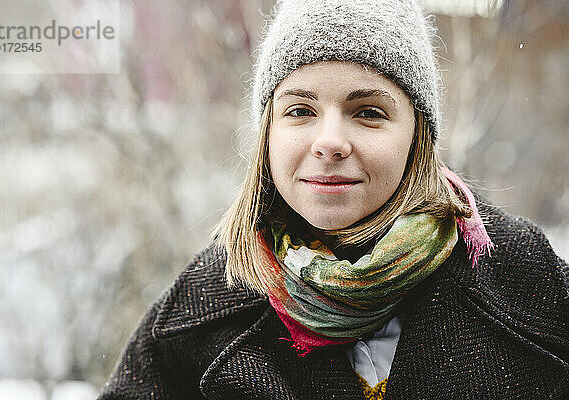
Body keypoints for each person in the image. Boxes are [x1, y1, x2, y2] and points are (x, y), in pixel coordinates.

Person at [99, 0, 569, 399]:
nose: (329, 142)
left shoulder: (525, 282)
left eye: (368, 112)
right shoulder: (199, 311)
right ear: (267, 135)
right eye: (300, 110)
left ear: (416, 137)